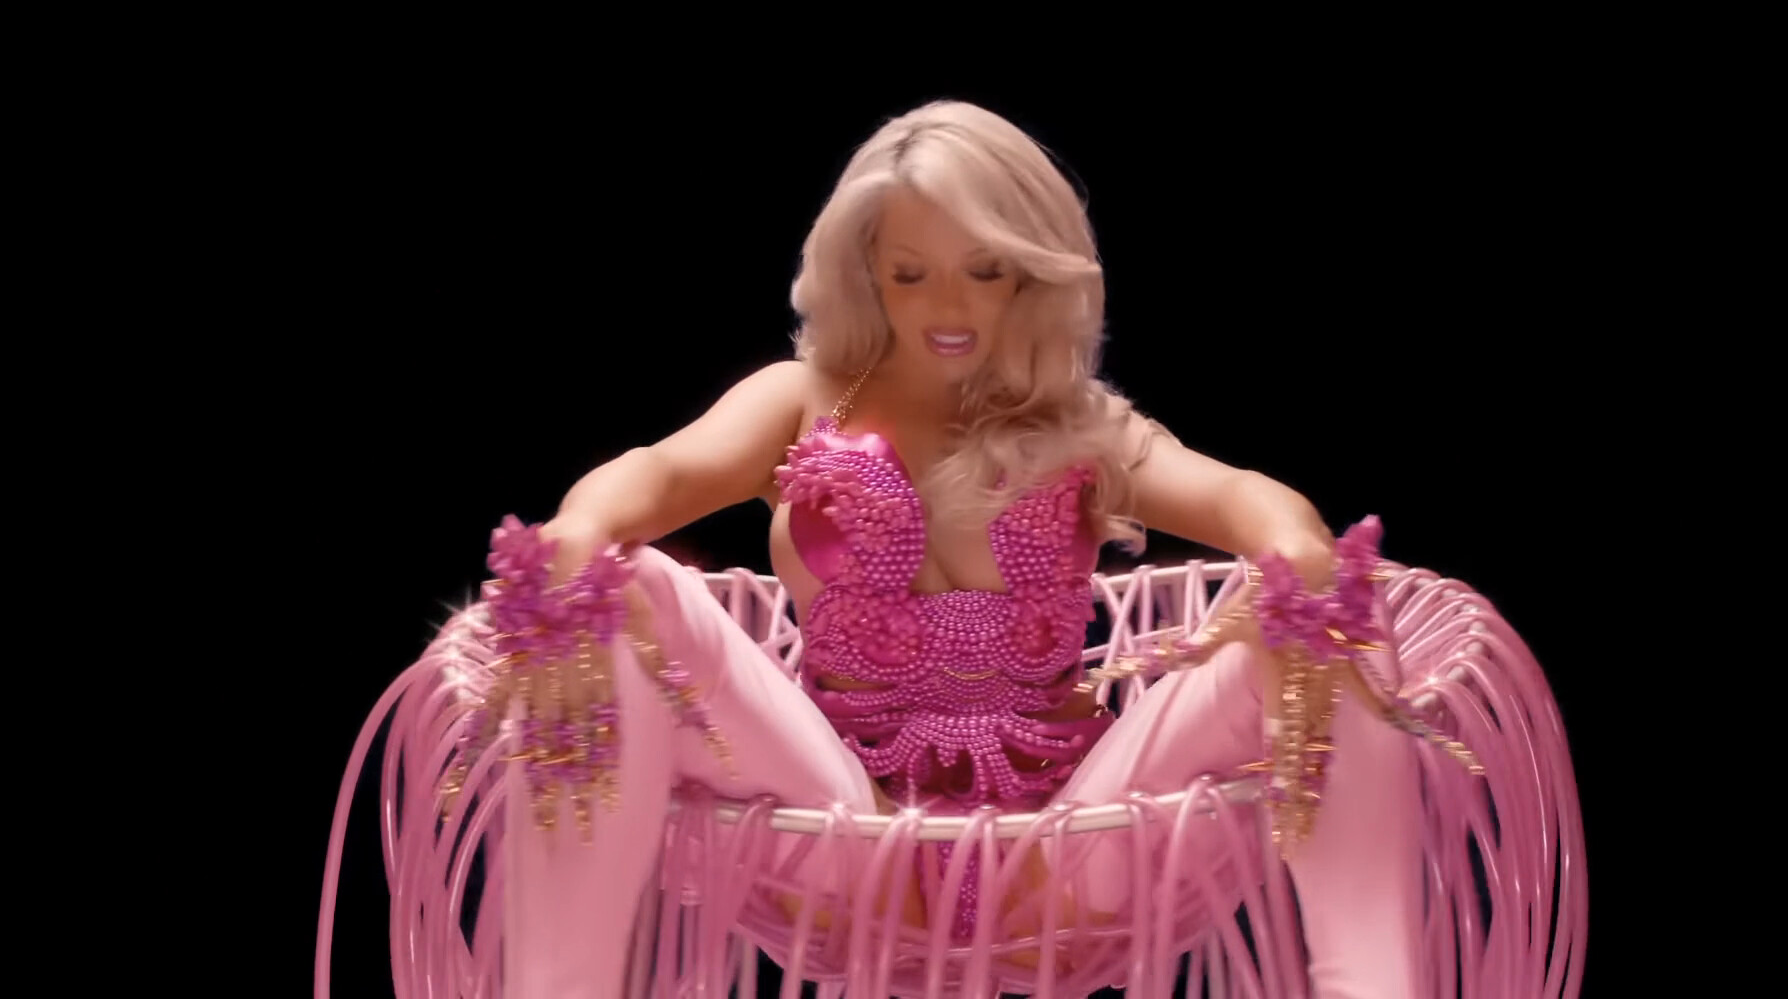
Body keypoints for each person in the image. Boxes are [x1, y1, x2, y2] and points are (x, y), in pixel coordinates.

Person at [321, 100, 1577, 999]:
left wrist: (1296, 552)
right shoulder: (802, 399)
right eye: (912, 273)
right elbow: (657, 474)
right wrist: (576, 540)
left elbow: (1238, 493)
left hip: (1075, 852)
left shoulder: (1084, 427)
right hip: (836, 829)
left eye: (984, 270)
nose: (950, 306)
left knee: (1324, 625)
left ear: (1034, 274)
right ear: (865, 269)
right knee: (619, 592)